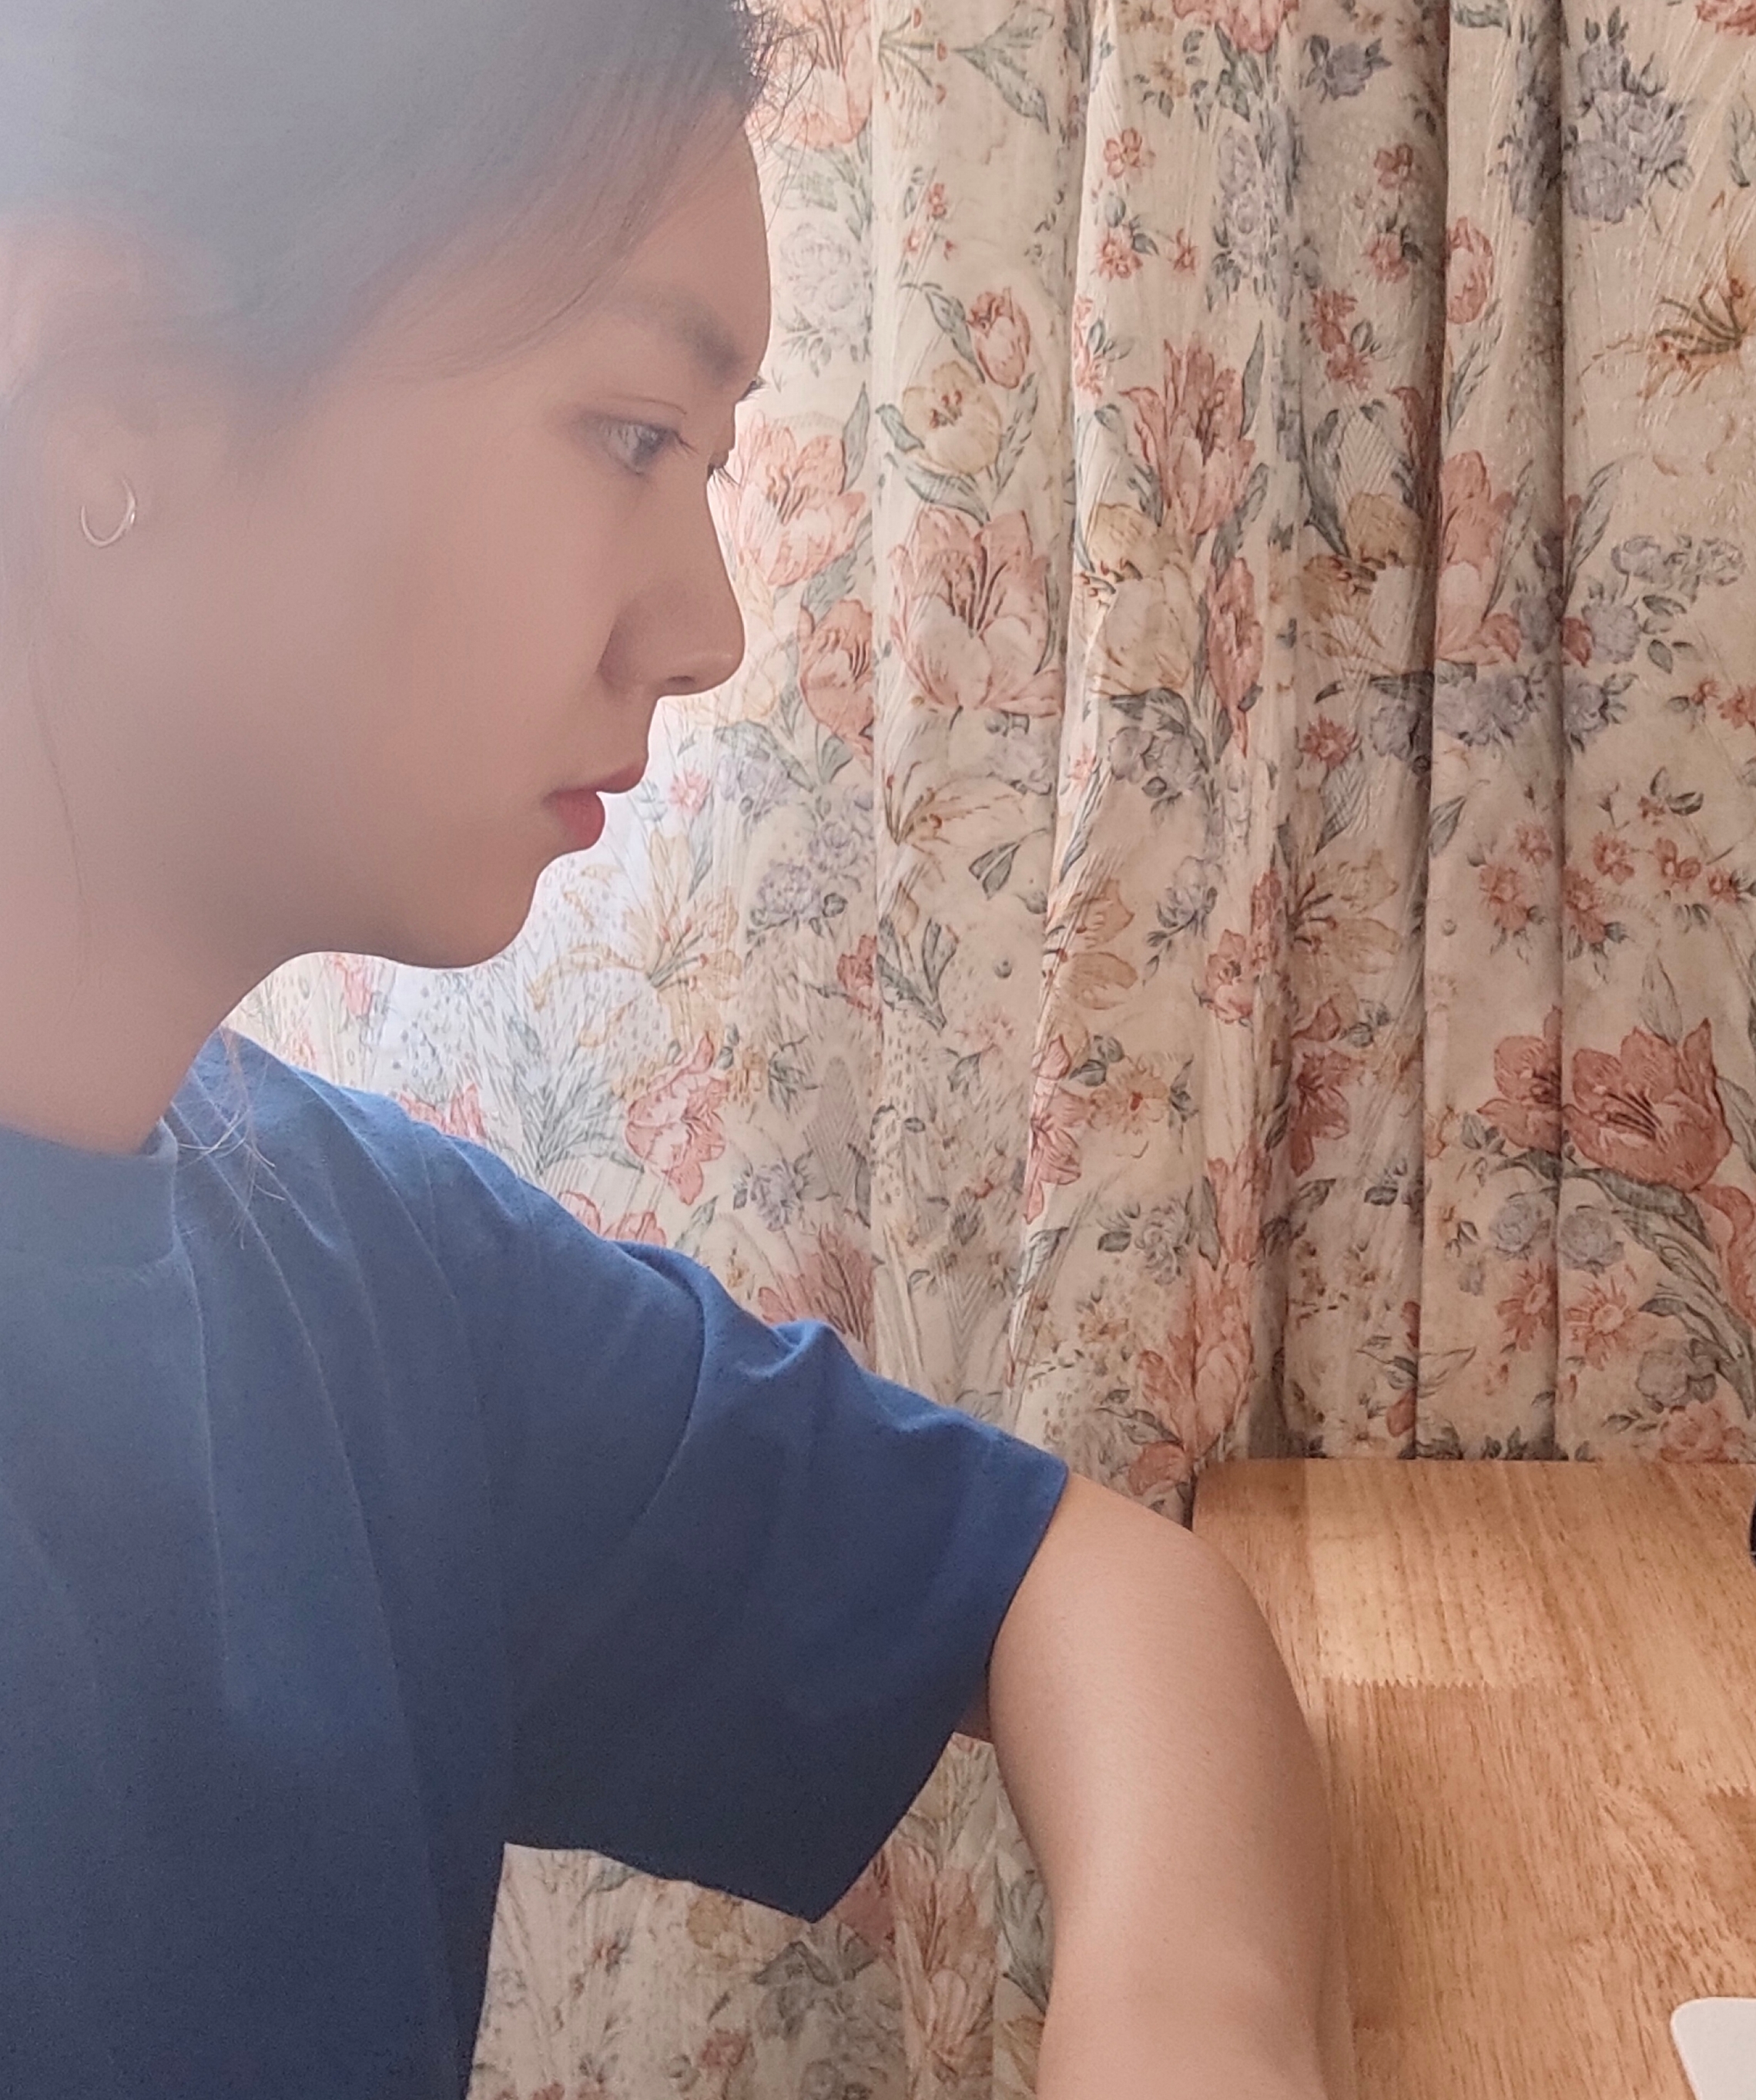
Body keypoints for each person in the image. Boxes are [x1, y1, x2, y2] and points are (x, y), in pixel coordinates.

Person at [0, 4, 1342, 2095]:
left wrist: (1189, 2034)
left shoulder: (358, 1266)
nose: (706, 631)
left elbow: (1089, 1586)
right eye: (630, 433)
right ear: (108, 397)